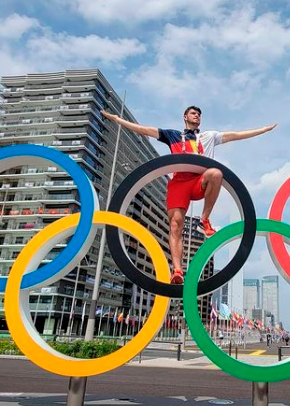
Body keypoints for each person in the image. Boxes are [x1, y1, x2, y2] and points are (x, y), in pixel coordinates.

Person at [101, 106, 276, 284]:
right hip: (179, 184)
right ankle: (177, 270)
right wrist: (117, 119)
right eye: (193, 113)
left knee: (216, 173)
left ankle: (204, 220)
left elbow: (235, 135)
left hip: (199, 181)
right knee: (175, 224)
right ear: (185, 117)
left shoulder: (209, 136)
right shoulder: (172, 135)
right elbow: (144, 130)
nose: (197, 116)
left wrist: (262, 130)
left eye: (199, 114)